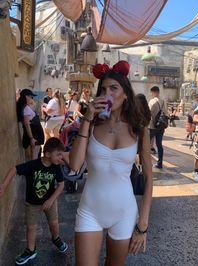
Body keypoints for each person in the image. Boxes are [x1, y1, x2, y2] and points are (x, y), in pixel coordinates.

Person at [69, 60, 153, 266]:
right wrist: (87, 119)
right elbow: (74, 165)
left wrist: (143, 224)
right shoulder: (92, 123)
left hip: (124, 212)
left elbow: (149, 177)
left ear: (125, 93)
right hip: (90, 210)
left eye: (114, 88)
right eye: (103, 89)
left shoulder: (138, 128)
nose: (108, 93)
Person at [0, 137, 68, 265]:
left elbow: (61, 185)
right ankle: (31, 250)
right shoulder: (33, 165)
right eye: (58, 155)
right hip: (32, 204)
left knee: (54, 224)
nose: (61, 158)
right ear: (47, 154)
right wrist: (4, 185)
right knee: (31, 227)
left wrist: (51, 200)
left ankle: (56, 238)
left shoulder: (56, 167)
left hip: (50, 201)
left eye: (62, 155)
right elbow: (14, 169)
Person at [16, 89, 45, 160]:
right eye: (31, 97)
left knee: (34, 156)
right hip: (35, 135)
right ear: (26, 97)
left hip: (35, 133)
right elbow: (27, 124)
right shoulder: (25, 109)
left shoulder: (24, 106)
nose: (32, 99)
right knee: (34, 158)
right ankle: (33, 171)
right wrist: (32, 138)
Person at [148, 85, 167, 169]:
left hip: (152, 126)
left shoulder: (152, 101)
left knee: (146, 144)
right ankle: (160, 163)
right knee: (159, 145)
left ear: (154, 92)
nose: (151, 94)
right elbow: (166, 113)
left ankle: (146, 163)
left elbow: (148, 113)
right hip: (160, 126)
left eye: (152, 92)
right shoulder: (163, 101)